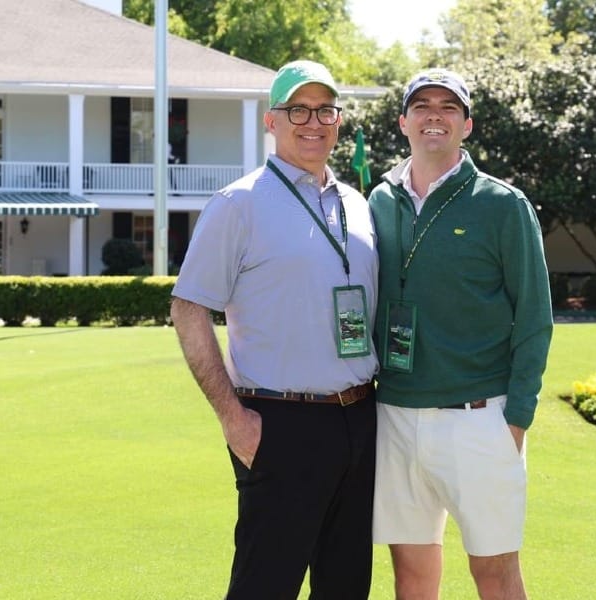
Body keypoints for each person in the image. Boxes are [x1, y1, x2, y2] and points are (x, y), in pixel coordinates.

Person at [170, 60, 378, 600]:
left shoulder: (356, 204)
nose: (313, 122)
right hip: (279, 422)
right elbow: (188, 309)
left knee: (346, 585)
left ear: (338, 120)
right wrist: (232, 419)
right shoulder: (239, 203)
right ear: (272, 120)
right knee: (265, 587)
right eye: (298, 110)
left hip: (360, 417)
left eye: (325, 110)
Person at [368, 68, 554, 600]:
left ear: (466, 125)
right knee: (411, 574)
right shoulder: (378, 200)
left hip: (480, 417)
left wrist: (516, 418)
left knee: (494, 574)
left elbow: (535, 318)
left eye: (448, 107)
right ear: (403, 122)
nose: (434, 115)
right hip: (396, 414)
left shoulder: (503, 204)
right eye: (422, 105)